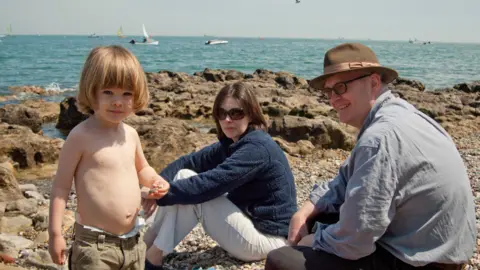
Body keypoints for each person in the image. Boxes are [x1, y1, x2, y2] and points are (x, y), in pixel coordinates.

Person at [265, 43, 476, 270]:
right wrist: (307, 209)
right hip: (439, 250)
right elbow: (345, 180)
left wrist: (311, 242)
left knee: (281, 260)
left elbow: (355, 241)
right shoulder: (402, 115)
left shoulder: (379, 138)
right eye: (328, 91)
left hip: (425, 262)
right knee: (316, 218)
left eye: (341, 87)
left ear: (374, 82)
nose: (333, 99)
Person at [141, 81, 298, 270]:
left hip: (269, 241)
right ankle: (143, 247)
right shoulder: (233, 142)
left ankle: (153, 258)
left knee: (196, 191)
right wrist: (156, 186)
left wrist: (162, 195)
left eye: (236, 113)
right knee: (184, 175)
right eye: (222, 113)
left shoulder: (256, 148)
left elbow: (210, 184)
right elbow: (188, 162)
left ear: (251, 113)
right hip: (248, 225)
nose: (228, 120)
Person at [48, 45, 170, 270]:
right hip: (95, 247)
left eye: (126, 94)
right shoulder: (80, 137)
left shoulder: (130, 134)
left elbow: (142, 169)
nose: (118, 101)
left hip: (133, 242)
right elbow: (60, 189)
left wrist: (156, 182)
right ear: (91, 91)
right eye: (108, 92)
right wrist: (55, 234)